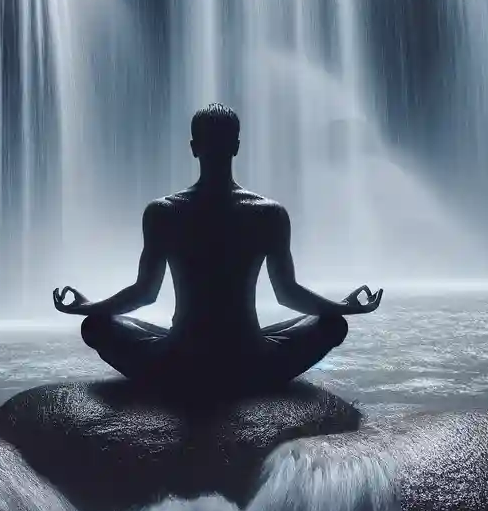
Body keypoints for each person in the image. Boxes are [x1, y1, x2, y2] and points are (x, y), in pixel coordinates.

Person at [53, 103, 382, 399]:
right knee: (332, 324)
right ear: (237, 147)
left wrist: (88, 307)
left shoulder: (163, 212)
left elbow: (144, 293)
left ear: (194, 148)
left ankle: (180, 372)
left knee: (95, 326)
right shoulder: (269, 213)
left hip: (179, 362)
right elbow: (288, 294)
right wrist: (344, 307)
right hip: (251, 362)